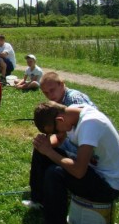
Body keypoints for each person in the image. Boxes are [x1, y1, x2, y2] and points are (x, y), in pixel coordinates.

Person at [30, 101, 119, 224]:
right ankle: (39, 201)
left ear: (60, 120)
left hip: (108, 185)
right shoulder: (72, 114)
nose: (55, 134)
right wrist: (45, 145)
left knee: (55, 173)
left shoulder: (90, 124)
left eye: (54, 131)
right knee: (41, 152)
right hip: (93, 170)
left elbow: (79, 171)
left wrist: (49, 151)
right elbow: (59, 140)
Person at [23, 71, 97, 210]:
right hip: (73, 149)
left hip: (85, 155)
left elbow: (85, 133)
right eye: (45, 93)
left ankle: (40, 198)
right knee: (40, 149)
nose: (50, 95)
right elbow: (62, 136)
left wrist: (50, 149)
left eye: (52, 90)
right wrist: (46, 145)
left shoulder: (74, 100)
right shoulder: (58, 103)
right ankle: (40, 196)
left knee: (47, 158)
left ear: (62, 84)